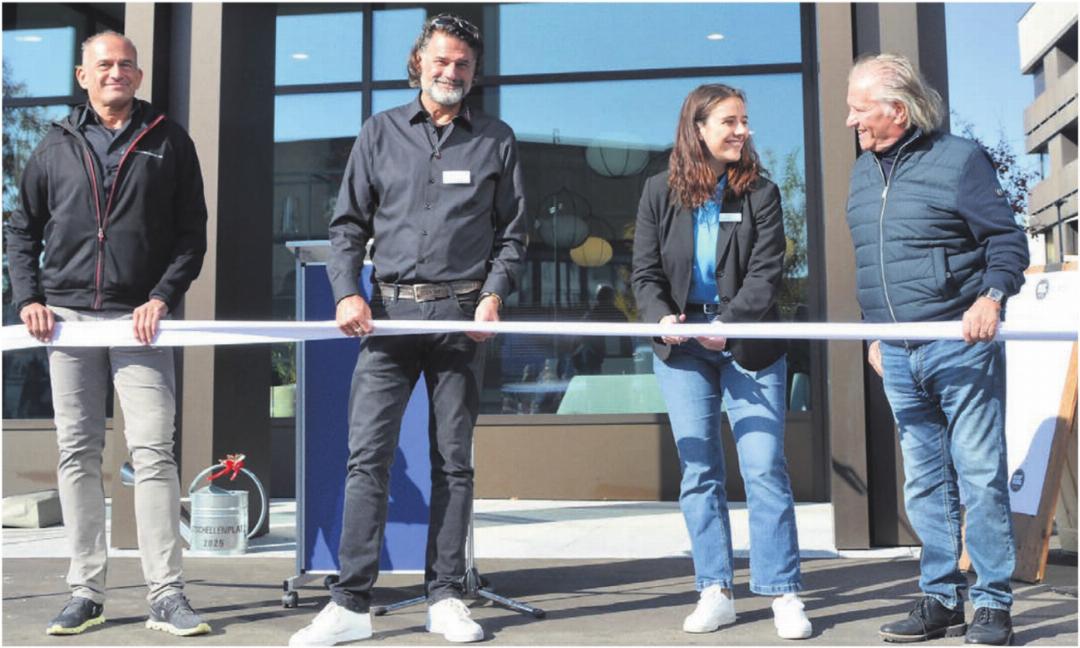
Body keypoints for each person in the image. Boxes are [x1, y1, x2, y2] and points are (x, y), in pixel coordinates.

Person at [288, 14, 527, 646]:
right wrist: (347, 291)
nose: (452, 72)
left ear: (474, 72)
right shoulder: (380, 131)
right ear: (419, 61)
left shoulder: (496, 139)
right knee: (367, 457)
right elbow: (347, 226)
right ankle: (350, 603)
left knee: (453, 462)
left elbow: (513, 235)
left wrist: (493, 296)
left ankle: (444, 597)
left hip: (461, 321)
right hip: (388, 319)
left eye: (464, 64)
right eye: (442, 60)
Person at [5, 31, 210, 637]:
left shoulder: (169, 141)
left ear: (139, 76)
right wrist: (29, 298)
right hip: (66, 323)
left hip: (140, 322)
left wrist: (161, 297)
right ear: (83, 75)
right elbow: (22, 229)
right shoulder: (53, 145)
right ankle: (85, 592)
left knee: (153, 453)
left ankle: (166, 594)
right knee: (77, 453)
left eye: (126, 65)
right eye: (104, 64)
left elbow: (191, 235)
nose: (116, 72)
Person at [844, 54, 1029, 646]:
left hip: (958, 345)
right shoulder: (862, 172)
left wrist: (991, 298)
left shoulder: (960, 159)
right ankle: (941, 599)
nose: (850, 120)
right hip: (898, 354)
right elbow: (873, 264)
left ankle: (993, 604)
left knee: (979, 476)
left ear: (897, 111)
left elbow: (1007, 241)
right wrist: (874, 332)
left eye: (859, 108)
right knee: (925, 484)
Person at [631, 83, 812, 641]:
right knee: (700, 470)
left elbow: (766, 274)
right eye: (730, 121)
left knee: (764, 466)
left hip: (746, 344)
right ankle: (715, 589)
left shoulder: (761, 192)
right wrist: (661, 316)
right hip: (682, 349)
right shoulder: (658, 191)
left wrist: (727, 324)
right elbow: (644, 273)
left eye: (745, 121)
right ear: (698, 128)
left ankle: (782, 591)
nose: (743, 130)